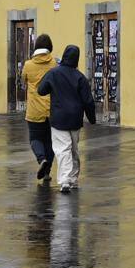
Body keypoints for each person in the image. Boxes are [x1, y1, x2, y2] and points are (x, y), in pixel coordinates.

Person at [37, 45, 96, 194]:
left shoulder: (53, 73)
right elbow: (88, 101)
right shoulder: (80, 77)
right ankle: (74, 178)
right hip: (75, 119)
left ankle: (65, 181)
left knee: (63, 150)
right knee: (74, 150)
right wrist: (92, 118)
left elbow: (41, 90)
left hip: (58, 118)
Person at [21, 34, 57, 182]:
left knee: (35, 138)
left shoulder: (28, 65)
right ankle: (47, 173)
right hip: (51, 110)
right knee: (50, 141)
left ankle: (41, 159)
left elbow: (23, 82)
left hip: (34, 110)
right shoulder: (54, 63)